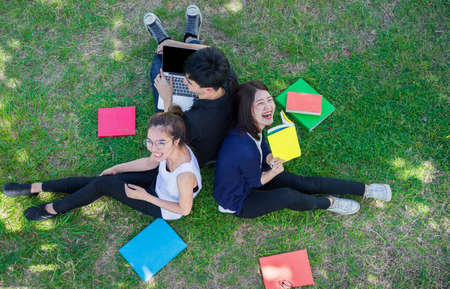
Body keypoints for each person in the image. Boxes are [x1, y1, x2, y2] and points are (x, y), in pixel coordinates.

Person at [213, 81, 392, 218]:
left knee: (303, 182)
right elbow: (256, 182)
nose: (269, 107)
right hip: (238, 199)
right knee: (286, 196)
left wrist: (268, 157)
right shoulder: (243, 148)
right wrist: (275, 171)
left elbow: (261, 144)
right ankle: (329, 202)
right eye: (260, 103)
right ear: (247, 109)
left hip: (252, 171)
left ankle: (365, 189)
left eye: (269, 100)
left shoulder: (252, 126)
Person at [3, 108, 202, 221]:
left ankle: (52, 209)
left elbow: (184, 210)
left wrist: (146, 197)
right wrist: (118, 168)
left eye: (160, 143)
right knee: (101, 179)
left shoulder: (184, 175)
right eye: (149, 141)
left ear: (176, 141)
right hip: (158, 182)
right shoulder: (167, 150)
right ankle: (36, 187)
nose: (153, 148)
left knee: (102, 185)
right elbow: (150, 162)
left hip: (163, 205)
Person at [144, 5, 238, 167]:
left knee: (159, 69)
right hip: (207, 125)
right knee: (195, 57)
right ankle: (190, 37)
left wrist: (167, 98)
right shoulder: (227, 76)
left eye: (188, 82)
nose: (184, 82)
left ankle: (163, 40)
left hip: (198, 151)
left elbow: (171, 131)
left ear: (207, 89)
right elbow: (210, 50)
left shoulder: (194, 121)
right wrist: (175, 45)